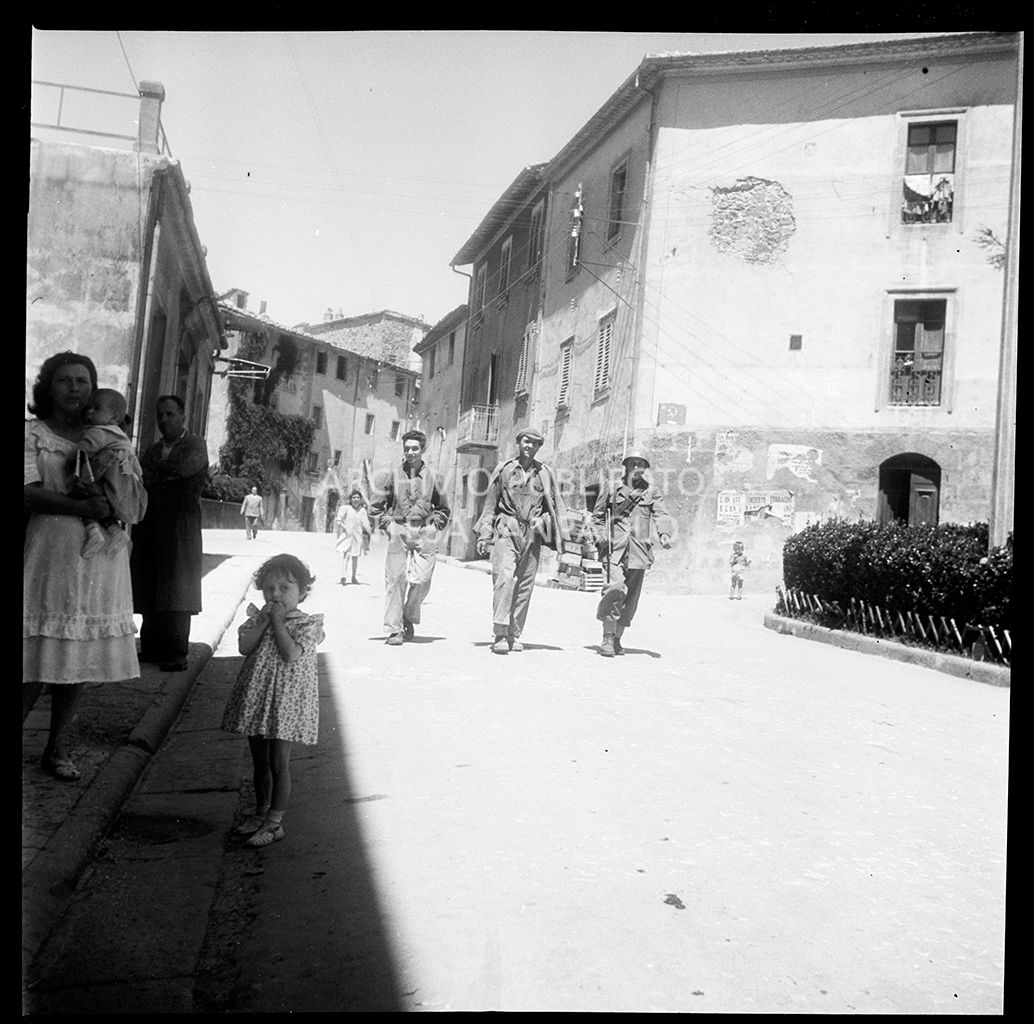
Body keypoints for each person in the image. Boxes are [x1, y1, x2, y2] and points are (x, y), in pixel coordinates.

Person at [24, 352, 148, 781]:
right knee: (34, 655)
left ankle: (57, 750)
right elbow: (28, 493)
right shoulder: (33, 434)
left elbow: (129, 490)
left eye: (83, 381)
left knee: (75, 659)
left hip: (97, 559)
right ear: (48, 387)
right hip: (49, 552)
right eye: (65, 381)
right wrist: (82, 504)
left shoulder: (107, 436)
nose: (75, 388)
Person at [221, 554, 324, 848]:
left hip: (286, 705)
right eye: (269, 589)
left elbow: (291, 654)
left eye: (284, 589)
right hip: (259, 699)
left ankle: (275, 823)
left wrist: (278, 623)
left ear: (302, 592)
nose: (275, 595)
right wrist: (264, 621)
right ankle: (261, 812)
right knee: (260, 762)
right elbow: (244, 647)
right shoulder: (258, 618)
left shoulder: (305, 624)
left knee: (279, 763)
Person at [129, 395, 209, 673]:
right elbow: (140, 474)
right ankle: (151, 648)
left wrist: (160, 473)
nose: (164, 420)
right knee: (150, 581)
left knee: (177, 586)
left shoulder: (196, 445)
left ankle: (176, 652)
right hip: (151, 522)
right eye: (160, 415)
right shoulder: (152, 449)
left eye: (170, 414)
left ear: (183, 416)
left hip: (181, 524)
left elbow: (187, 468)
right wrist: (166, 474)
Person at [475, 427, 567, 654]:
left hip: (532, 534)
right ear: (519, 442)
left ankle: (514, 633)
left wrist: (543, 522)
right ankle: (500, 632)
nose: (530, 446)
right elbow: (490, 505)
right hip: (507, 528)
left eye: (535, 443)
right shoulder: (504, 470)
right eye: (527, 441)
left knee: (525, 585)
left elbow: (553, 507)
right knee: (504, 578)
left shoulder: (544, 473)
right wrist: (485, 534)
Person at [369, 430, 450, 645]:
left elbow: (443, 508)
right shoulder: (391, 475)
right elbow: (376, 508)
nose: (410, 452)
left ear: (423, 450)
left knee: (422, 580)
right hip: (400, 529)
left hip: (425, 531)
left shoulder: (435, 477)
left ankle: (408, 614)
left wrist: (434, 524)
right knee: (395, 579)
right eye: (407, 448)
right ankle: (394, 629)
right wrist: (390, 526)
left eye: (415, 448)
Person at [591, 450, 673, 657]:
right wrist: (599, 535)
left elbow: (661, 514)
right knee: (615, 588)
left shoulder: (651, 492)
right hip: (614, 549)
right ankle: (607, 637)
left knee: (631, 598)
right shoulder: (611, 489)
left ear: (645, 468)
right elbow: (597, 516)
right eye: (633, 463)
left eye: (641, 464)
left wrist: (664, 534)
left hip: (639, 549)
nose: (637, 468)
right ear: (626, 466)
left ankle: (617, 638)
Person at [74, 388, 141, 558]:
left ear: (114, 418)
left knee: (80, 490)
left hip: (106, 479)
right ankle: (116, 531)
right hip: (122, 484)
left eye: (96, 408)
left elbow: (81, 452)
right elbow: (137, 468)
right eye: (89, 407)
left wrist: (69, 454)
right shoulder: (121, 436)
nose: (90, 411)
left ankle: (92, 530)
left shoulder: (98, 432)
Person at [334, 489, 372, 585]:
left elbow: (365, 522)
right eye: (354, 497)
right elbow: (338, 520)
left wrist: (369, 530)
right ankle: (343, 576)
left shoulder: (362, 510)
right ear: (351, 499)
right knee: (346, 555)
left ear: (360, 499)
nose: (356, 499)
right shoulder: (345, 508)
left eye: (358, 497)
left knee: (355, 557)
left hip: (357, 536)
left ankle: (354, 577)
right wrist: (344, 527)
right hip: (348, 535)